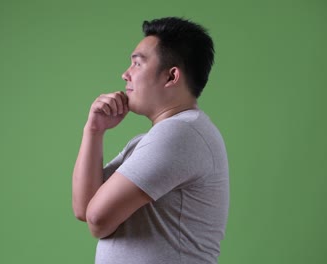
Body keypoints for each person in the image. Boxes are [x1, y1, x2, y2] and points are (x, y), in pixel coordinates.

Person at [72, 17, 229, 264]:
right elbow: (84, 209)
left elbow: (98, 220)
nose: (125, 74)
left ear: (171, 76)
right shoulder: (150, 140)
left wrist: (95, 215)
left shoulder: (180, 134)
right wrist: (94, 131)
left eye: (137, 64)